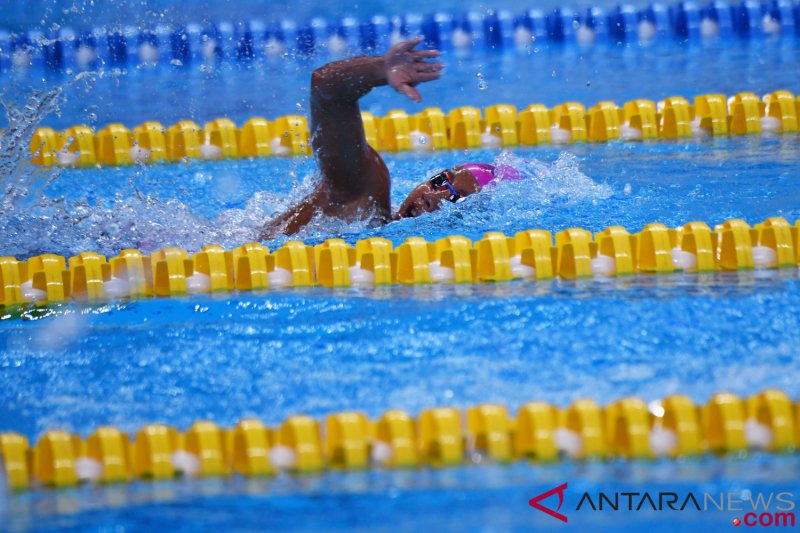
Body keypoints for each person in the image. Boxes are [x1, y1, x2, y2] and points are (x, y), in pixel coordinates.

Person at [259, 38, 503, 239]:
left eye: (456, 200)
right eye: (440, 181)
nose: (433, 198)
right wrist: (380, 70)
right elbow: (326, 87)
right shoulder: (365, 193)